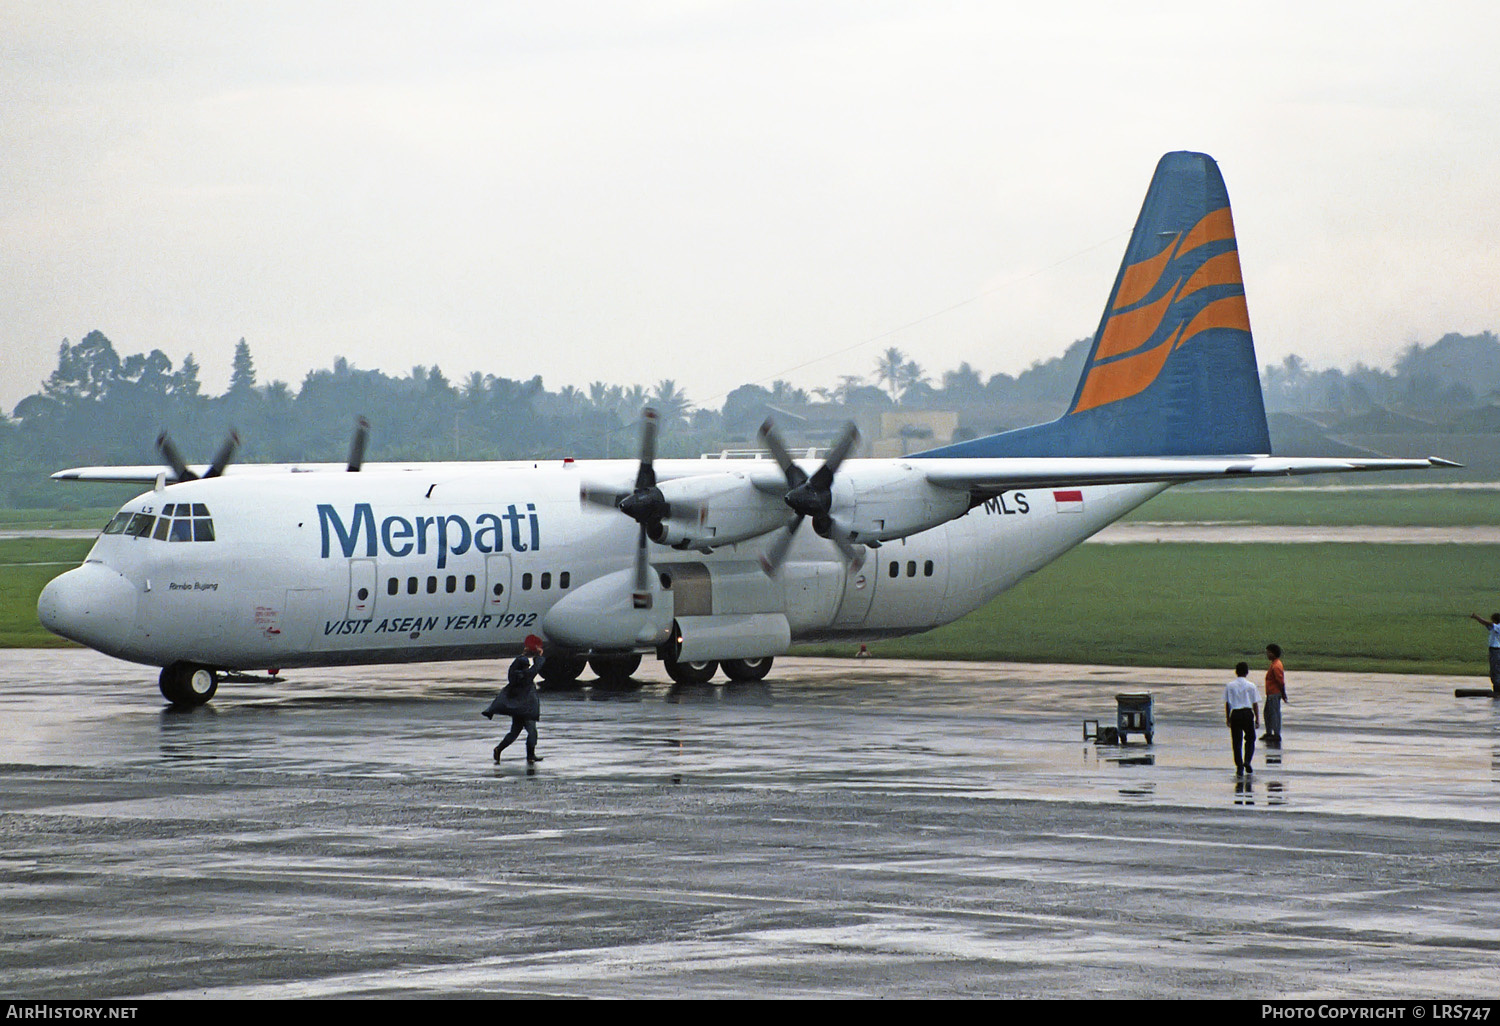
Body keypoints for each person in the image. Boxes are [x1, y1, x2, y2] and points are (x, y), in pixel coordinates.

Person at [484, 635, 545, 763]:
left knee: (514, 733)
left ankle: (499, 749)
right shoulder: (524, 675)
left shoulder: (513, 673)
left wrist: (524, 654)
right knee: (532, 732)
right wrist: (539, 656)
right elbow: (535, 669)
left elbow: (528, 668)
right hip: (525, 708)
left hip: (517, 708)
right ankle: (530, 755)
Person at [1224, 661, 1260, 775]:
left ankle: (1239, 766)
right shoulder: (1251, 686)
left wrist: (1228, 718)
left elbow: (1228, 703)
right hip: (1247, 713)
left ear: (1236, 672)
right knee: (1250, 738)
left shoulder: (1230, 685)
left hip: (1236, 713)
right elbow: (1255, 703)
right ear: (1247, 672)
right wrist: (1257, 718)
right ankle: (1247, 761)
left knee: (1236, 741)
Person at [1467, 613, 1500, 695]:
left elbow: (1487, 623)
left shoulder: (1497, 627)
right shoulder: (1496, 627)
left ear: (1495, 620)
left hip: (1496, 650)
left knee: (1495, 669)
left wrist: (1476, 617)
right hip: (1495, 650)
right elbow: (1487, 624)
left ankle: (1497, 689)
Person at [1262, 643, 1288, 744]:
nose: (1267, 655)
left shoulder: (1276, 665)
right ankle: (1269, 732)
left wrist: (1283, 693)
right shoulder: (1274, 664)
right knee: (1267, 713)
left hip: (1274, 693)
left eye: (1268, 652)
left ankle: (1276, 734)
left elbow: (1280, 681)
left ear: (1273, 653)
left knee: (1274, 714)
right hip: (1270, 693)